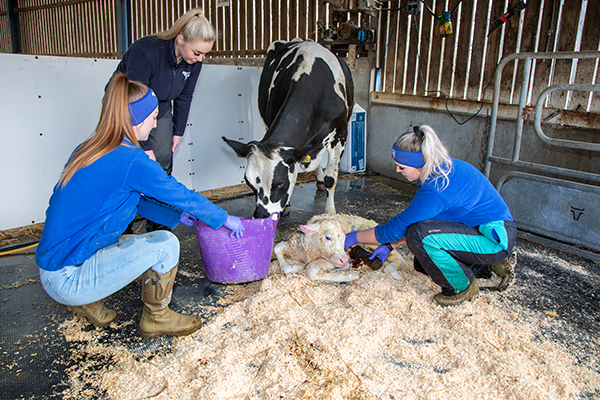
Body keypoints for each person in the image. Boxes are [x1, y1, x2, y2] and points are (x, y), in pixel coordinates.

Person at [35, 73, 245, 339]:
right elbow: (179, 193)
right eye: (154, 116)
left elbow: (131, 202)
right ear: (138, 119)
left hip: (56, 266)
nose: (156, 123)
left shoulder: (91, 148)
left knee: (123, 235)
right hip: (68, 278)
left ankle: (86, 301)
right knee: (166, 245)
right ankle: (156, 317)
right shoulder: (132, 160)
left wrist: (177, 215)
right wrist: (224, 218)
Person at [345, 125, 517, 306]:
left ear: (418, 165)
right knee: (423, 262)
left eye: (401, 166)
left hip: (494, 239)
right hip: (480, 230)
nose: (397, 170)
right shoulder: (440, 169)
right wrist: (390, 246)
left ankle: (463, 287)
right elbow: (424, 221)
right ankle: (485, 267)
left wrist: (353, 236)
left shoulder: (436, 188)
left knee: (419, 237)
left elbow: (394, 229)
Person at [114, 8, 216, 232]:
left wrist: (177, 131)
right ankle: (123, 226)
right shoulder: (147, 51)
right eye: (197, 52)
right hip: (125, 105)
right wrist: (144, 145)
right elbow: (135, 102)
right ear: (181, 39)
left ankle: (159, 222)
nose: (200, 59)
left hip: (159, 105)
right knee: (129, 161)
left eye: (204, 54)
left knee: (162, 163)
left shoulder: (193, 62)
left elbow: (185, 97)